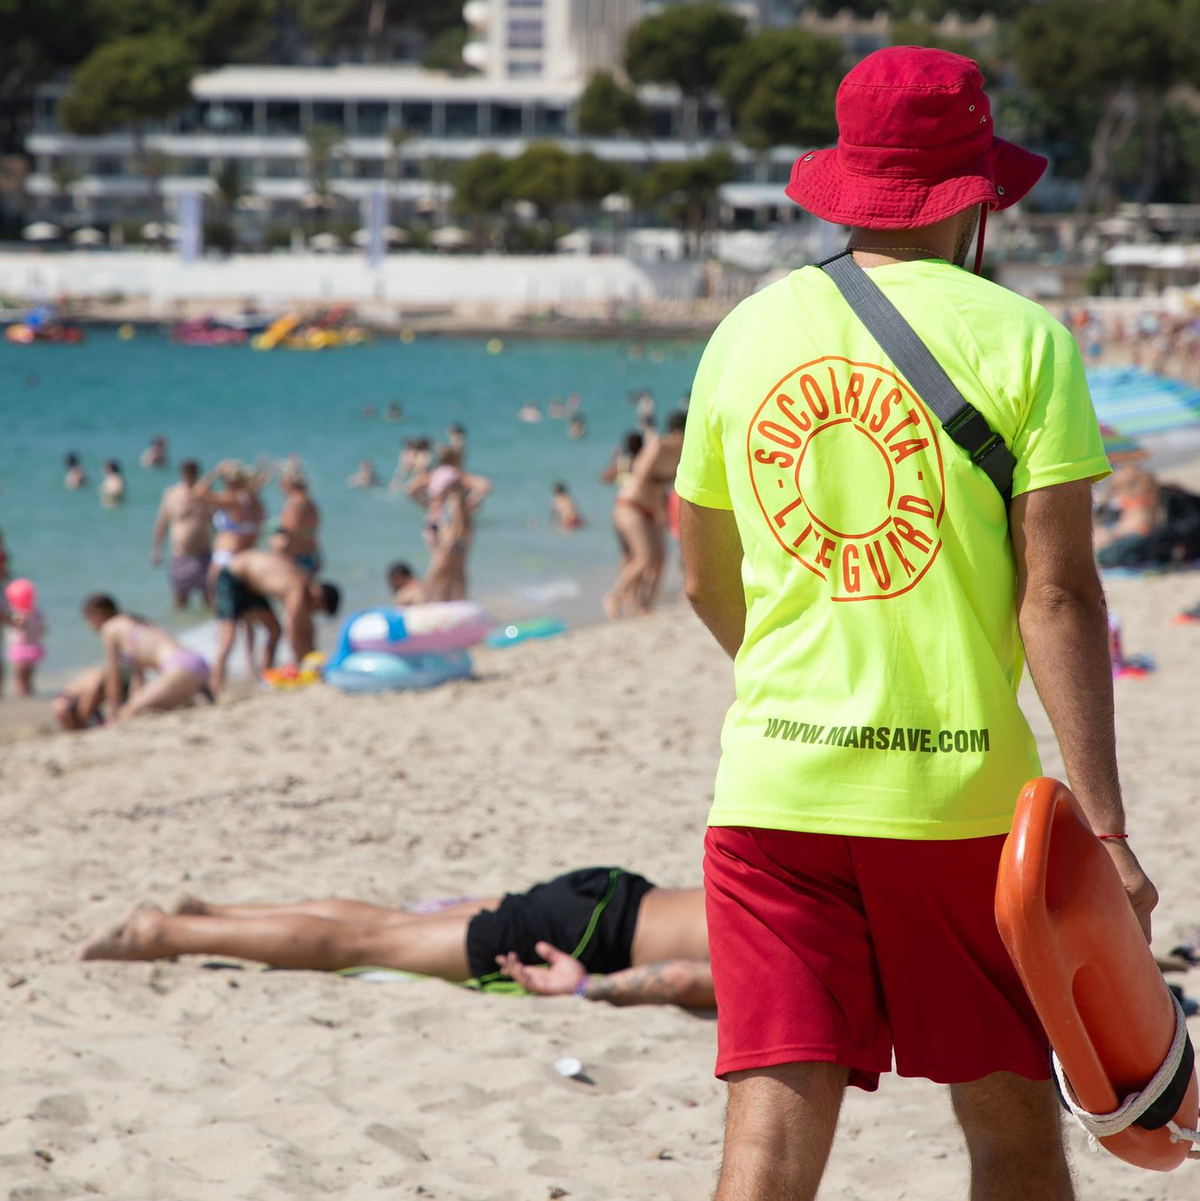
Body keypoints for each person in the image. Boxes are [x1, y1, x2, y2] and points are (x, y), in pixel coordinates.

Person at [673, 48, 1156, 1201]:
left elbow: (700, 577)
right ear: (976, 195)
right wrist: (1107, 832)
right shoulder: (1026, 341)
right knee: (1010, 1127)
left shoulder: (745, 332)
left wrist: (801, 686)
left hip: (772, 795)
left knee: (768, 1144)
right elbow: (1059, 595)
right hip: (959, 810)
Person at [77, 867, 714, 1009]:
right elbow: (687, 979)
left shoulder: (817, 904)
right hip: (590, 938)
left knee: (391, 923)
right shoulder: (813, 965)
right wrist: (586, 989)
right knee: (365, 946)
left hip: (612, 891)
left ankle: (216, 911)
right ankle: (167, 932)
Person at [213, 549, 339, 691]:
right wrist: (303, 665)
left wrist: (313, 655)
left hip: (251, 586)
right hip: (232, 577)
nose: (313, 612)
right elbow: (293, 632)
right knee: (228, 639)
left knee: (275, 630)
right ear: (319, 597)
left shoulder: (306, 584)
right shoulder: (298, 589)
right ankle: (216, 686)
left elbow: (306, 628)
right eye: (317, 609)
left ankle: (264, 677)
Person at [603, 412, 685, 619]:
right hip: (631, 505)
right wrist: (659, 510)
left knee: (660, 560)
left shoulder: (681, 452)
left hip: (652, 508)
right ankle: (613, 597)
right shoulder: (658, 445)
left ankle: (645, 607)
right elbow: (640, 478)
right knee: (643, 559)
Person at [82, 594, 210, 721]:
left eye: (88, 619)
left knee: (129, 713)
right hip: (197, 662)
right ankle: (197, 697)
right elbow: (138, 677)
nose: (88, 624)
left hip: (179, 668)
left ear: (97, 614)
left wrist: (114, 713)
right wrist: (134, 702)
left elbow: (113, 677)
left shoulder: (109, 628)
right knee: (139, 706)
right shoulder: (136, 622)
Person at [150, 459, 213, 608]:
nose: (190, 477)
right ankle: (181, 626)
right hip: (180, 555)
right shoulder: (171, 494)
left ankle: (212, 626)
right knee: (180, 600)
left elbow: (217, 521)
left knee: (209, 597)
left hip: (203, 553)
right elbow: (162, 523)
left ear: (197, 475)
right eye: (187, 474)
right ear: (182, 474)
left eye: (193, 474)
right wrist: (156, 550)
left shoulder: (205, 494)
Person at [195, 460, 265, 576]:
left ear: (230, 481)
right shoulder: (254, 502)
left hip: (226, 556)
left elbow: (198, 492)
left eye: (224, 479)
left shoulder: (231, 499)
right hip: (248, 554)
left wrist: (216, 472)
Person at [271, 461, 322, 575]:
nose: (280, 486)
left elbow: (291, 534)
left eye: (281, 481)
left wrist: (279, 558)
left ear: (288, 482)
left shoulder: (295, 503)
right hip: (311, 554)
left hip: (296, 558)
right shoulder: (310, 503)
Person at [53, 663, 129, 730]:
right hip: (67, 703)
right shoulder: (99, 679)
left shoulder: (100, 677)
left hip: (69, 703)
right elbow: (85, 706)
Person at [4, 578, 45, 697]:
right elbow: (42, 629)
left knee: (19, 677)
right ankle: (30, 692)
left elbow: (17, 623)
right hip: (34, 647)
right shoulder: (36, 612)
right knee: (29, 675)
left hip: (20, 649)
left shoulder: (18, 614)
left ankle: (22, 695)